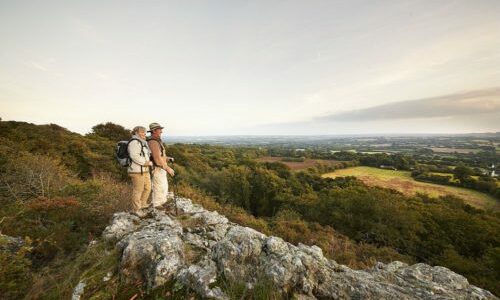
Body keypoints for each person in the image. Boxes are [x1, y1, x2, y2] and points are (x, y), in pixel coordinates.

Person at [147, 122, 175, 208]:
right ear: (154, 131)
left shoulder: (156, 140)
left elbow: (160, 156)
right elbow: (157, 159)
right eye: (159, 130)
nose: (161, 131)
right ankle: (157, 205)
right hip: (157, 168)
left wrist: (167, 158)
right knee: (158, 186)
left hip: (161, 167)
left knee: (163, 186)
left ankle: (162, 202)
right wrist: (168, 168)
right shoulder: (153, 142)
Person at [127, 126, 152, 213]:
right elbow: (134, 156)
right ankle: (136, 209)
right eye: (142, 132)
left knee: (148, 188)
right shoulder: (134, 142)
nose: (144, 133)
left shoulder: (143, 142)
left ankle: (143, 204)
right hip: (136, 171)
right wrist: (146, 163)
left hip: (144, 170)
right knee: (138, 190)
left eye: (144, 132)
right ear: (136, 133)